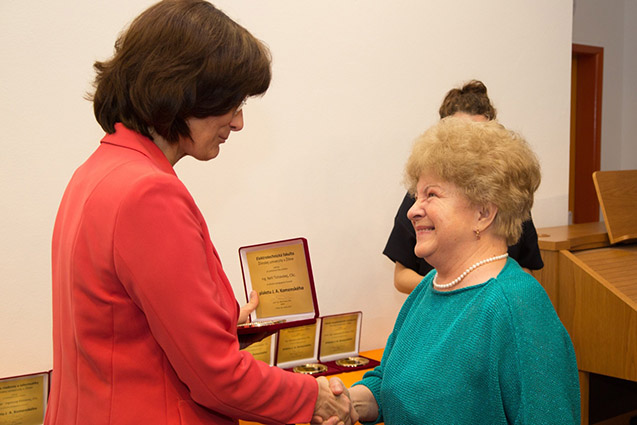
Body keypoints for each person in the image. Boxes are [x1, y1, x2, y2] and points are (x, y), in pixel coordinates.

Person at [46, 2, 356, 424]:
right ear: (185, 90)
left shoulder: (96, 172)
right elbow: (216, 378)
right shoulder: (148, 193)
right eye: (232, 102)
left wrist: (218, 321)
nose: (239, 122)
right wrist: (312, 397)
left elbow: (120, 324)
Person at [340, 118, 580, 424]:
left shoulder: (518, 306)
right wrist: (347, 402)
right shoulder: (429, 287)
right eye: (416, 195)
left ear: (483, 213)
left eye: (431, 195)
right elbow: (389, 381)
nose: (412, 210)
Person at [383, 80, 544, 294]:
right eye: (462, 135)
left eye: (481, 134)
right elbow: (402, 275)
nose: (471, 146)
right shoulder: (421, 200)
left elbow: (526, 268)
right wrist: (450, 288)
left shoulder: (509, 197)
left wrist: (489, 291)